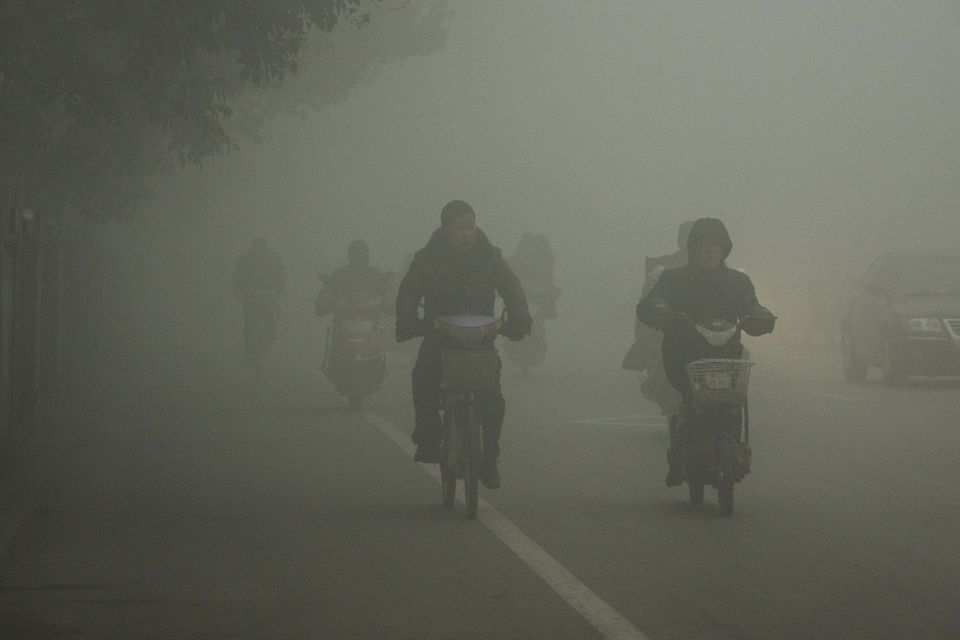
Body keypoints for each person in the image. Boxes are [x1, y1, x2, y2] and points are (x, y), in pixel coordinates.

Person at [395, 200, 532, 489]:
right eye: (459, 228)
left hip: (481, 341)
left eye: (470, 226)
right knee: (423, 379)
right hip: (439, 338)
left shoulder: (490, 258)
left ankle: (489, 458)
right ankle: (429, 438)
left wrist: (519, 317)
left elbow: (512, 289)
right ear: (445, 230)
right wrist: (408, 319)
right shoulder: (426, 259)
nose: (466, 233)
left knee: (492, 398)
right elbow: (409, 291)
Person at [636, 218, 775, 485]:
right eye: (702, 245)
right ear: (692, 249)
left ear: (724, 249)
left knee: (733, 404)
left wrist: (761, 316)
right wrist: (664, 313)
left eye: (715, 245)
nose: (709, 251)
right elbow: (651, 303)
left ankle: (735, 446)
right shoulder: (673, 279)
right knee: (690, 400)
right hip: (683, 354)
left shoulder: (738, 281)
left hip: (727, 355)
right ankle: (680, 449)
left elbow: (752, 307)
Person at [622, 221, 695, 412]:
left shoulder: (719, 267)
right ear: (681, 240)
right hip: (670, 324)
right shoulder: (664, 267)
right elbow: (648, 298)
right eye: (688, 237)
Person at [505, 233, 560, 375]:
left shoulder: (545, 264)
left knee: (538, 325)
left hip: (536, 301)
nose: (529, 249)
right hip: (517, 300)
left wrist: (551, 292)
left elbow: (549, 285)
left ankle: (534, 345)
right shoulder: (512, 261)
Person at [233, 237, 287, 369]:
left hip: (259, 296)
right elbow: (237, 276)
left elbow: (280, 276)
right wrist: (278, 291)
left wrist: (278, 291)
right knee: (254, 326)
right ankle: (254, 352)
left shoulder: (246, 258)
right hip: (256, 296)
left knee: (256, 325)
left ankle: (256, 352)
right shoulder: (269, 257)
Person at [314, 239, 389, 317]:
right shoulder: (339, 274)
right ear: (350, 256)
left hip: (371, 321)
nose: (358, 257)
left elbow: (388, 296)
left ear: (367, 256)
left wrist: (389, 302)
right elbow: (325, 296)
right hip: (342, 321)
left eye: (361, 254)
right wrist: (324, 302)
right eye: (355, 254)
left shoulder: (376, 274)